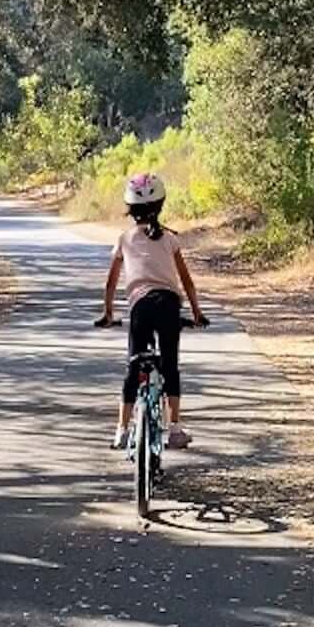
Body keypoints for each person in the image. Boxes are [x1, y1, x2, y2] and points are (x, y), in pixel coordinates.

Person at [97, 171, 208, 450]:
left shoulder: (124, 239)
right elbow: (186, 281)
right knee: (170, 366)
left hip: (140, 307)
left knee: (134, 365)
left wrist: (108, 314)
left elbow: (110, 282)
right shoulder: (170, 240)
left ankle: (121, 431)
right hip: (169, 304)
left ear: (129, 209)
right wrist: (196, 313)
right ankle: (175, 429)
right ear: (160, 205)